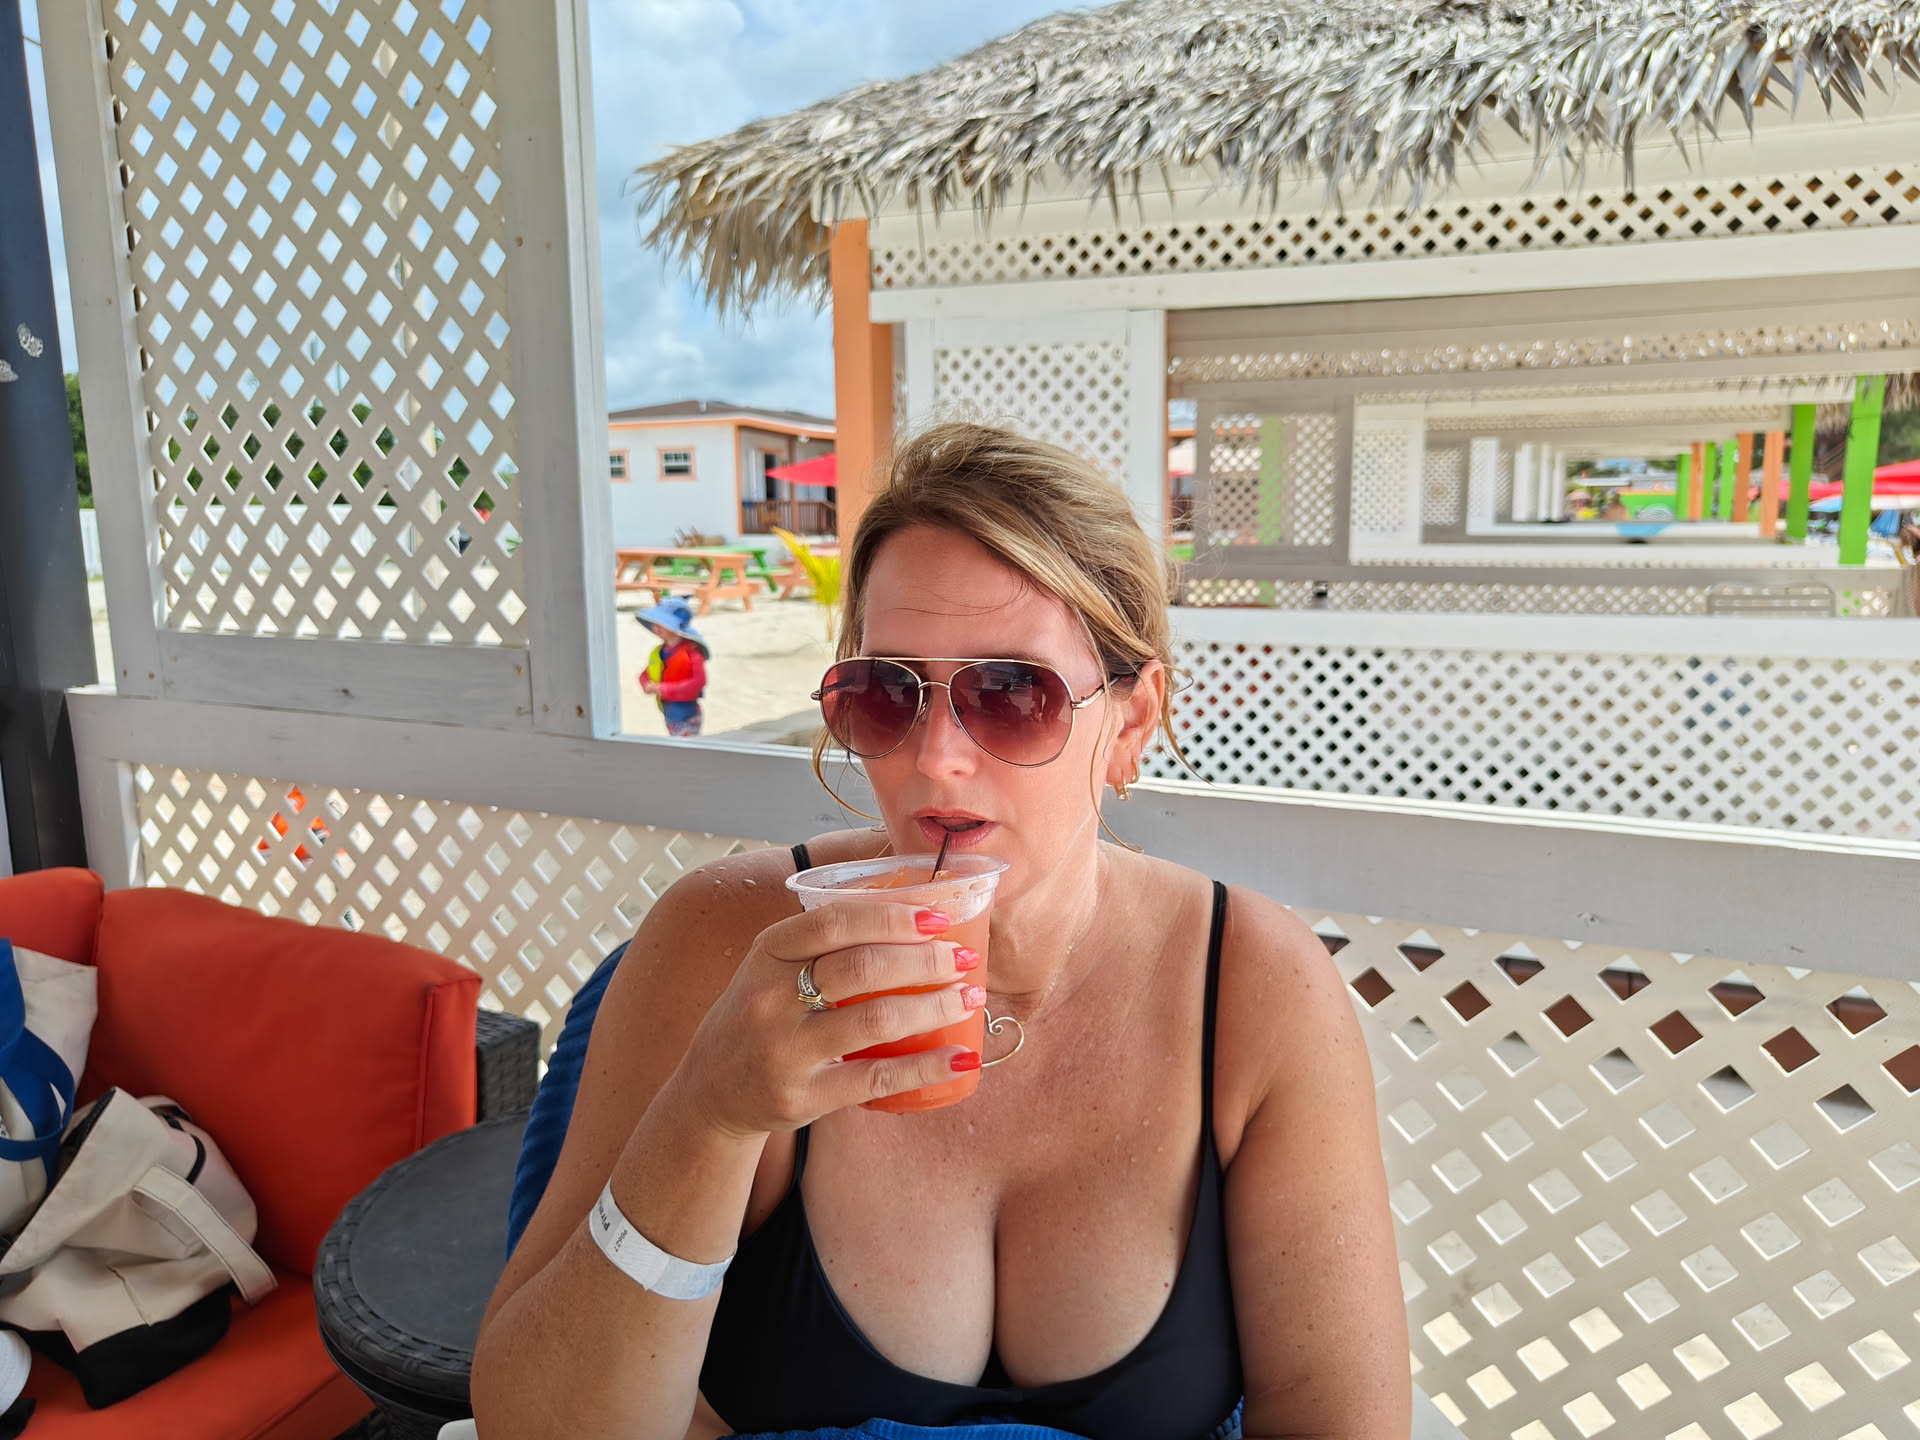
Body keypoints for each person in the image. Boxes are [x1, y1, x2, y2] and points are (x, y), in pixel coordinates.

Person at [472, 422, 1408, 1438]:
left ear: (1130, 723)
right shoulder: (721, 941)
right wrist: (708, 1119)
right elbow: (536, 1420)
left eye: (1012, 693)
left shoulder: (1259, 992)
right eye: (886, 693)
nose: (935, 759)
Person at [637, 596, 709, 737]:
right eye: (654, 623)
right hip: (669, 712)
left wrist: (665, 689)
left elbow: (699, 681)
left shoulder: (692, 653)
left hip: (688, 712)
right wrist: (646, 684)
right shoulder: (659, 652)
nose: (655, 627)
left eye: (661, 623)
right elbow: (645, 674)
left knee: (686, 744)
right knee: (675, 741)